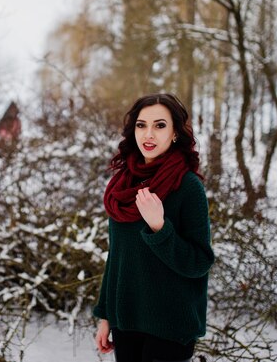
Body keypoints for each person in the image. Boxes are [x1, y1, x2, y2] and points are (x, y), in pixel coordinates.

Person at [93, 93, 215, 362]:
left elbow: (199, 262)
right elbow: (117, 257)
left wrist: (160, 227)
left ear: (174, 134)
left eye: (160, 125)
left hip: (170, 327)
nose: (149, 134)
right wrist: (105, 314)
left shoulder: (187, 186)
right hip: (126, 322)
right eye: (141, 125)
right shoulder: (122, 185)